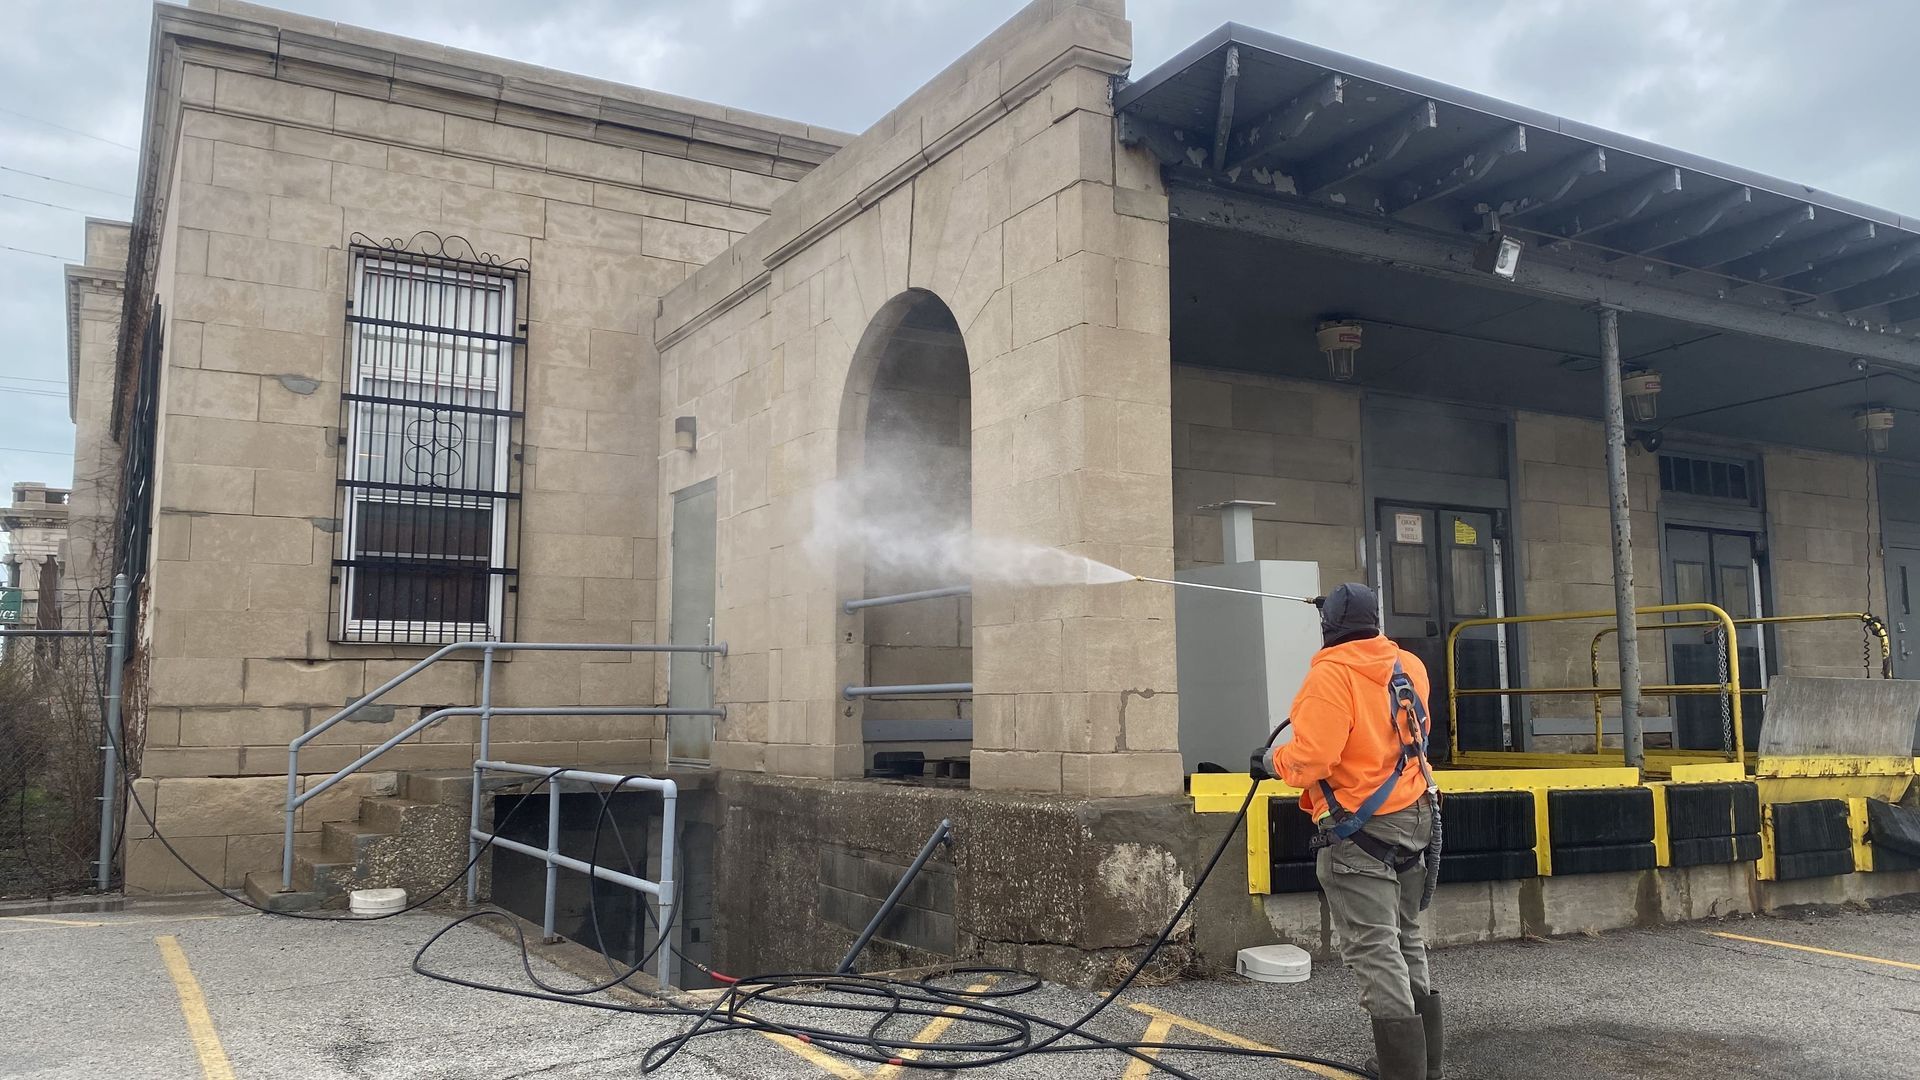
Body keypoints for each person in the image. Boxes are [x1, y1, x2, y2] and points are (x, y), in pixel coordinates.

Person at [1250, 583, 1443, 1080]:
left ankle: (1404, 1073)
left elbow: (1313, 758)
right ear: (1375, 620)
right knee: (1406, 940)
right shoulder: (1409, 666)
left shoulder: (1331, 677)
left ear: (1327, 627)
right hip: (1416, 818)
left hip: (1359, 830)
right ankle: (1426, 1068)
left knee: (1376, 949)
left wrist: (1271, 761)